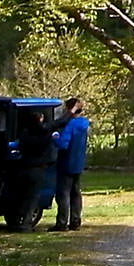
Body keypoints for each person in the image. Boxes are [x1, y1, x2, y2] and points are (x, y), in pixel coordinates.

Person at [51, 97, 90, 231]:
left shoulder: (70, 125)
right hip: (78, 162)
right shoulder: (84, 123)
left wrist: (55, 137)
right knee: (75, 193)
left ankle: (62, 222)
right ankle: (75, 220)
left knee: (63, 194)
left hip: (66, 162)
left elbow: (63, 144)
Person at [12, 108, 55, 226]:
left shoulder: (24, 134)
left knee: (21, 195)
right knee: (33, 197)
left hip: (24, 166)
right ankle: (26, 222)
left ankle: (17, 218)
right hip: (38, 168)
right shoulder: (45, 135)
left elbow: (21, 147)